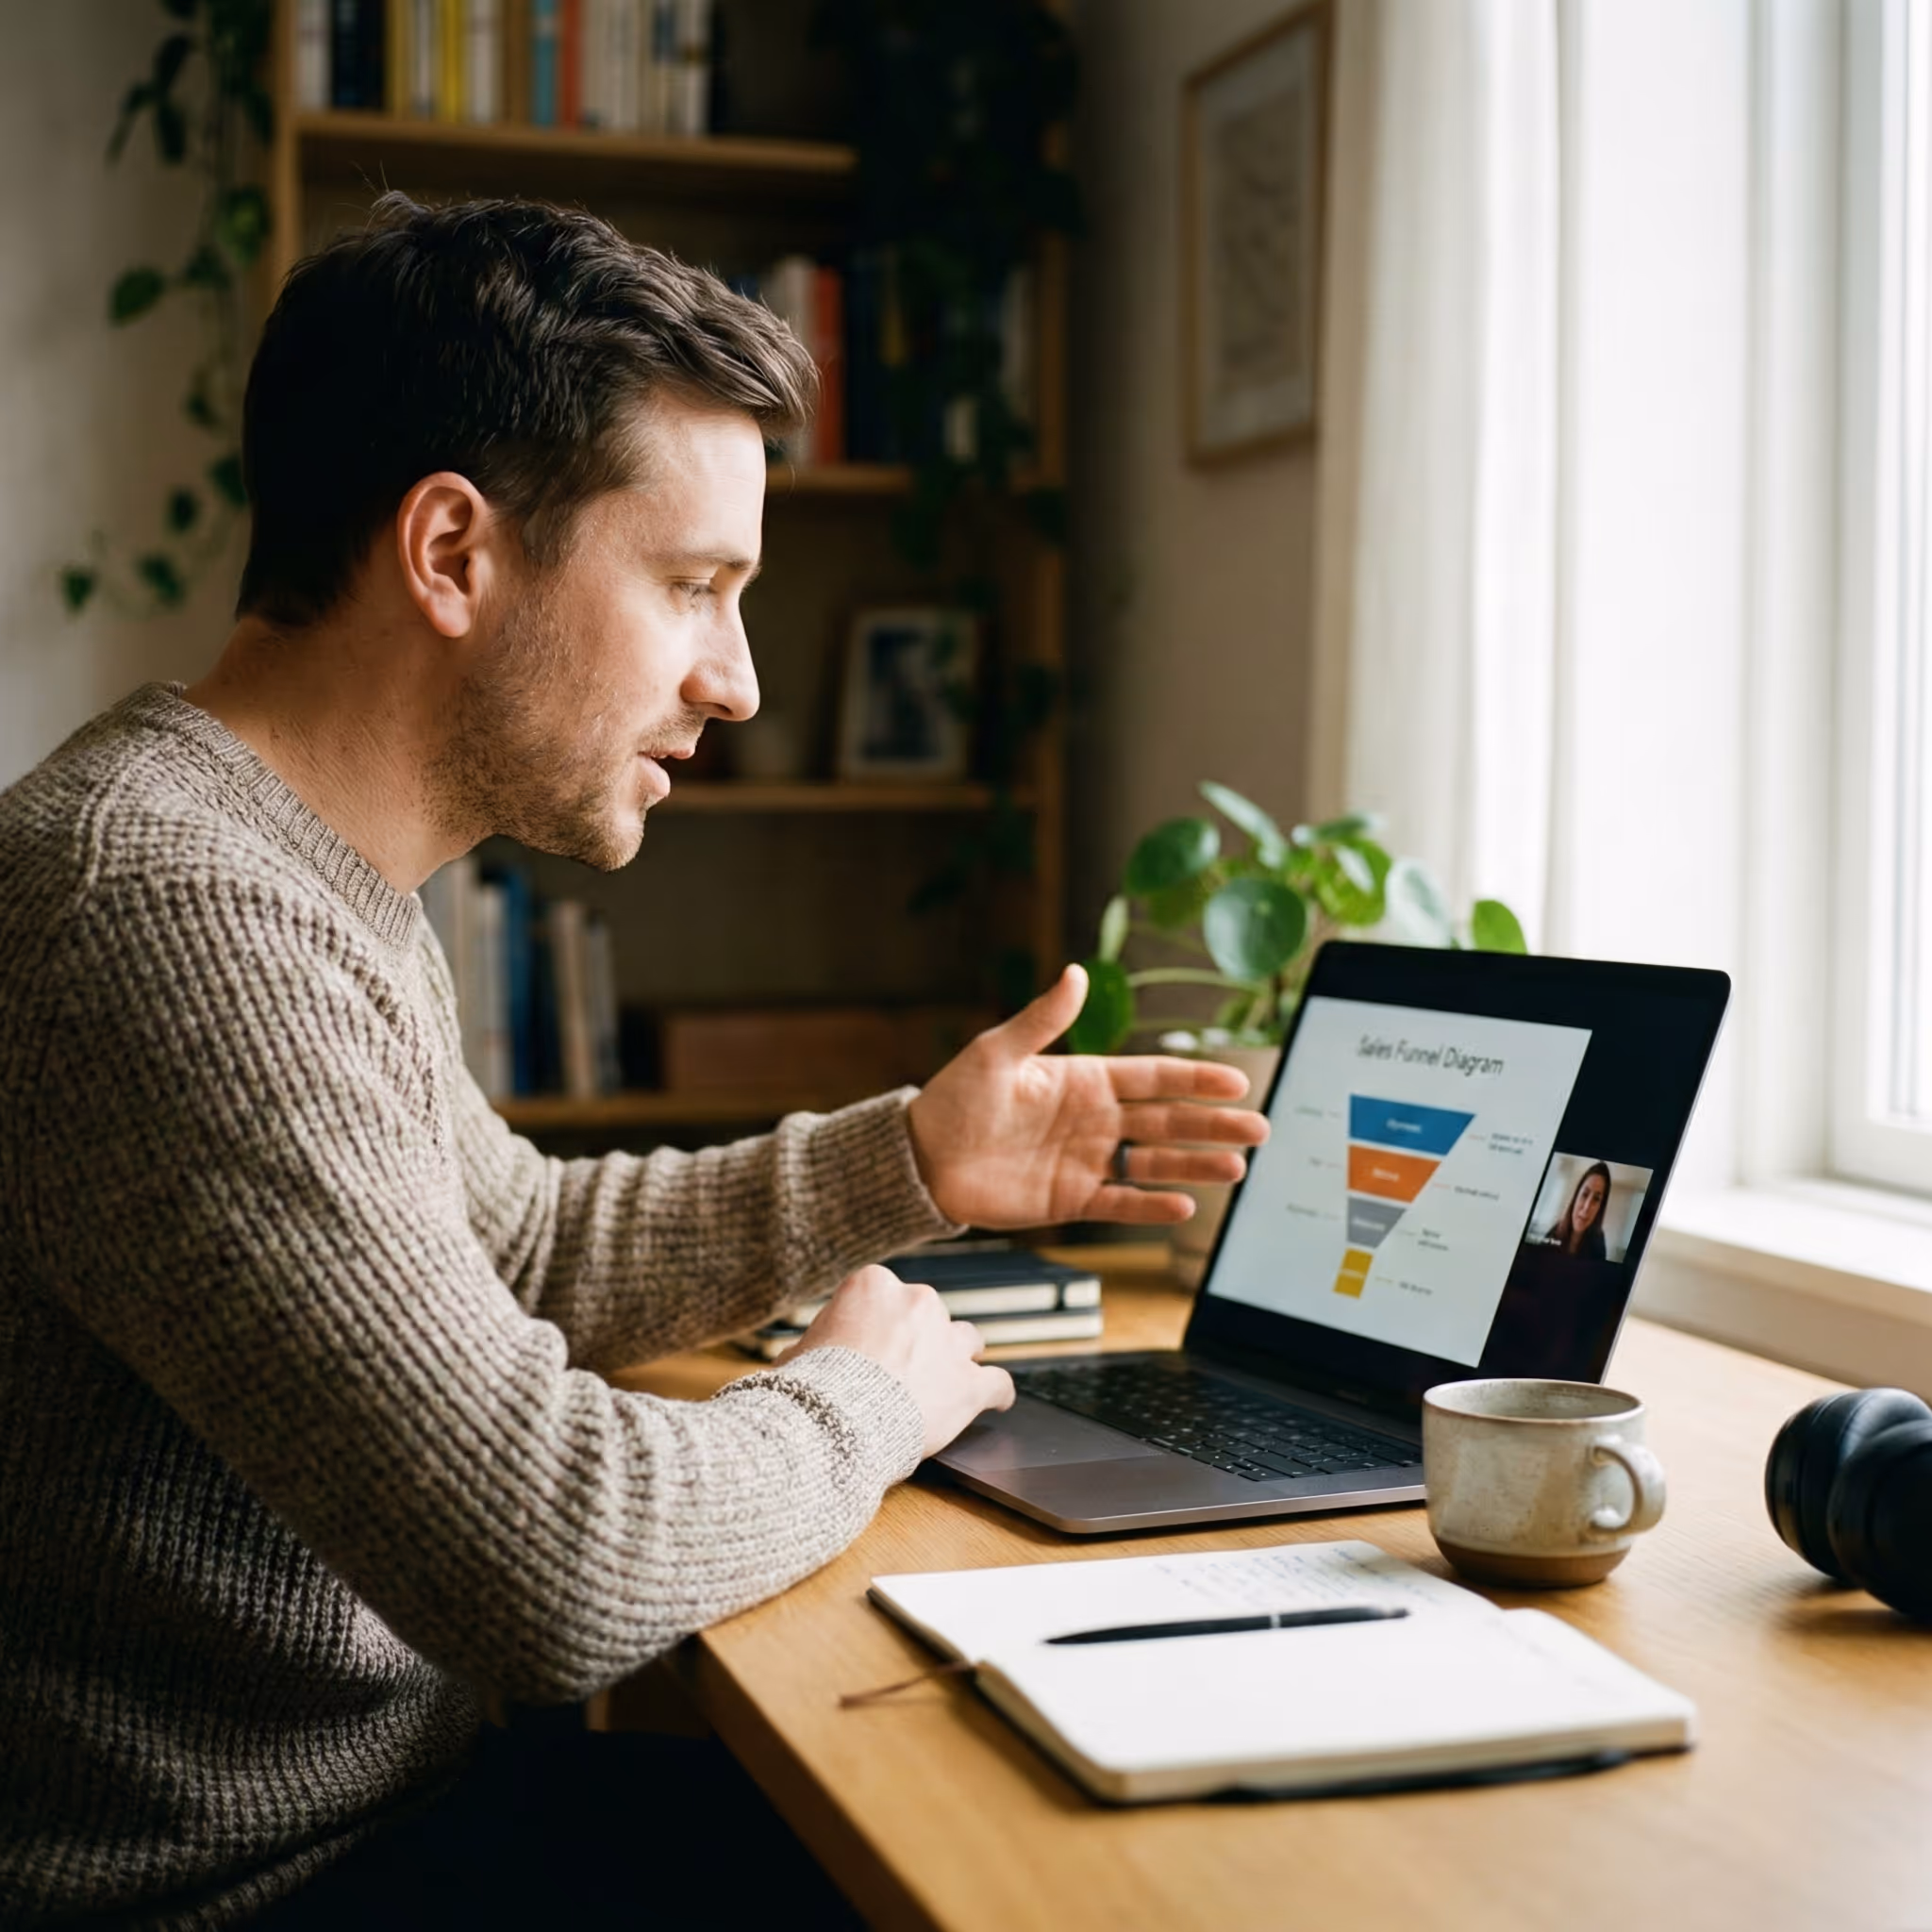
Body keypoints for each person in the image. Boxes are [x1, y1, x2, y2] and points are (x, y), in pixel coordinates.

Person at [0, 194, 1268, 1928]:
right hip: (238, 1890)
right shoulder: (171, 916)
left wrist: (911, 1159)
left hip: (381, 1818)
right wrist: (862, 1402)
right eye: (693, 588)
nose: (733, 681)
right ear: (453, 553)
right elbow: (555, 1556)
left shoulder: (290, 870)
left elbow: (510, 1248)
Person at [1542, 1161, 1612, 1260]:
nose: (1587, 1207)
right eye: (1585, 1194)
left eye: (1596, 1199)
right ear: (1576, 1196)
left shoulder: (1599, 1244)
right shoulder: (1555, 1232)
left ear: (1600, 1208)